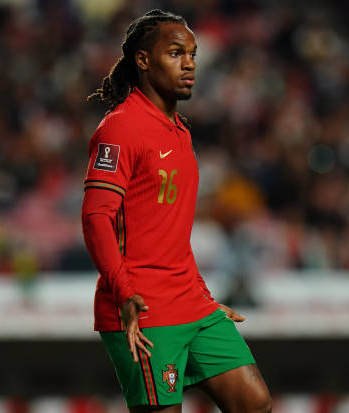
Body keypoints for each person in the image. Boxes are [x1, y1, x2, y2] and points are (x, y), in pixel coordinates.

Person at [81, 10, 272, 413]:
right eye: (175, 53)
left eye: (192, 54)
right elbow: (96, 217)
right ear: (144, 60)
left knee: (254, 403)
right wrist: (125, 292)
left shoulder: (179, 130)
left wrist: (199, 292)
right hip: (142, 306)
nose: (189, 64)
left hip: (191, 301)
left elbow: (168, 229)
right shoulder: (121, 127)